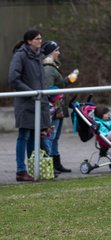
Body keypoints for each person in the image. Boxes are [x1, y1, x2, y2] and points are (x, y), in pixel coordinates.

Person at [8, 30, 51, 181]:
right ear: (29, 41)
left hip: (39, 103)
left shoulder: (39, 55)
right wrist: (31, 93)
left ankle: (35, 168)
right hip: (26, 103)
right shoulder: (20, 55)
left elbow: (41, 80)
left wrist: (45, 98)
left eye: (41, 38)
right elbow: (13, 78)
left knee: (34, 137)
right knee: (24, 136)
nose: (40, 40)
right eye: (37, 38)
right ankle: (21, 170)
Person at [41, 40, 75, 172]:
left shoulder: (54, 67)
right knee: (51, 136)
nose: (59, 53)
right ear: (50, 53)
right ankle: (49, 164)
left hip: (59, 108)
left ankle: (56, 163)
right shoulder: (48, 69)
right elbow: (50, 89)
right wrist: (56, 106)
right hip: (54, 109)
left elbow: (59, 86)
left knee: (55, 137)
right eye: (57, 50)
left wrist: (68, 80)